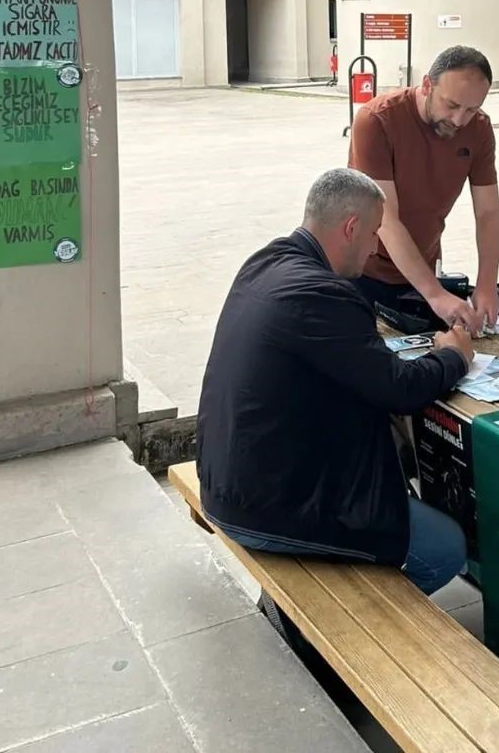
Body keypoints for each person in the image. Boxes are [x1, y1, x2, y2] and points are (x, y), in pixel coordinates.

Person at [196, 168, 474, 597]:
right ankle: (359, 627)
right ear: (351, 227)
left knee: (391, 462)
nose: (376, 247)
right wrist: (454, 355)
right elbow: (399, 389)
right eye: (375, 233)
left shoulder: (265, 263)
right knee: (445, 548)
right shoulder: (324, 294)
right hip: (266, 507)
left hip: (228, 482)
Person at [348, 46, 499, 337]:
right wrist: (436, 295)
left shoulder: (479, 129)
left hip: (421, 273)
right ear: (427, 85)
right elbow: (386, 220)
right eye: (451, 105)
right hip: (359, 271)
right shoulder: (377, 119)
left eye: (471, 109)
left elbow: (488, 212)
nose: (459, 120)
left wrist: (486, 284)